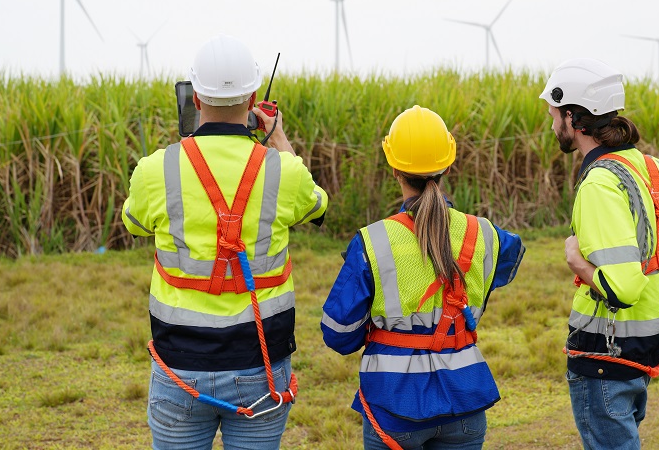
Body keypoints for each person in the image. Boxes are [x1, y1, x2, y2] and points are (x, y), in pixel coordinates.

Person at [121, 35, 328, 450]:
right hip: (261, 367)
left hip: (179, 366)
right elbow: (317, 207)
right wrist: (277, 138)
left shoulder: (154, 171)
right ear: (253, 98)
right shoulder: (283, 172)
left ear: (195, 99)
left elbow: (134, 223)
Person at [320, 105, 525, 450]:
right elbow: (511, 256)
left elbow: (338, 334)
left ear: (394, 167)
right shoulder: (485, 234)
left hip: (394, 405)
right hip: (465, 401)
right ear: (448, 162)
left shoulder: (372, 241)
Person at [540, 59, 659, 450]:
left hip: (605, 355)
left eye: (553, 113)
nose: (551, 123)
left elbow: (621, 288)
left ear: (572, 117)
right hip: (644, 349)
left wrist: (578, 263)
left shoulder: (599, 184)